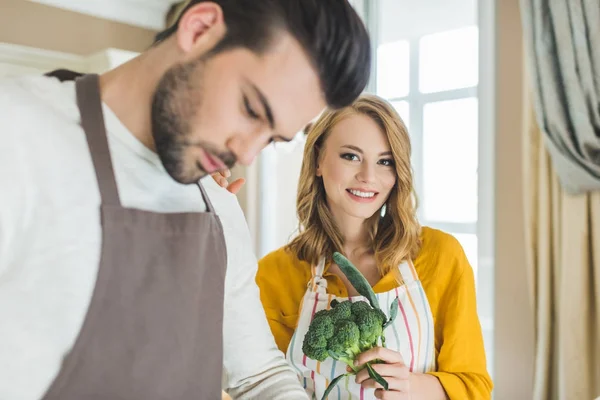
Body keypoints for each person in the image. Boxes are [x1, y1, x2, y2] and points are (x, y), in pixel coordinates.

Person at [0, 1, 370, 399]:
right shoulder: (17, 136)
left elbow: (259, 376)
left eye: (272, 139)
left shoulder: (218, 205)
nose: (246, 154)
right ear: (199, 29)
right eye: (249, 109)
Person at [251, 94, 493, 399]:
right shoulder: (272, 274)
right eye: (351, 156)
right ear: (318, 161)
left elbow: (474, 387)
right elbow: (259, 386)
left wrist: (411, 387)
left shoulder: (441, 255)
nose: (368, 177)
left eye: (385, 161)